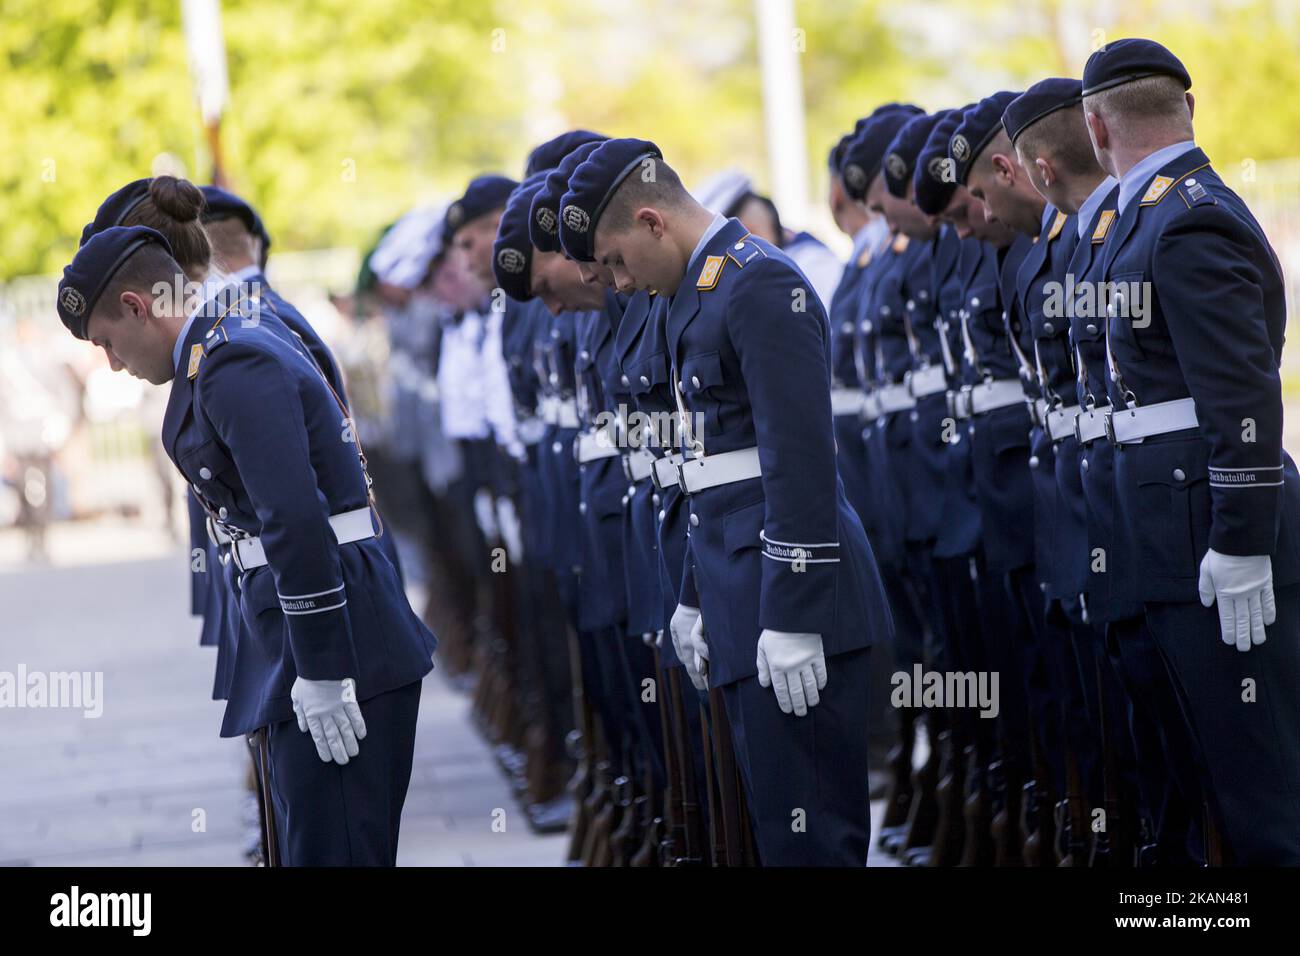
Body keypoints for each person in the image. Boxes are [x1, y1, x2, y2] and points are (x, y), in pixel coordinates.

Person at [559, 137, 893, 865]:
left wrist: (795, 615)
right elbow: (701, 474)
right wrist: (691, 595)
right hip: (740, 594)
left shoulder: (758, 283)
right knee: (773, 832)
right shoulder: (695, 293)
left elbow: (800, 460)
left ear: (652, 221)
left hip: (793, 602)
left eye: (614, 259)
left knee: (811, 841)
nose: (613, 282)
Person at [56, 226, 436, 865]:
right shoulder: (222, 346)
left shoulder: (233, 360)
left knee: (334, 851)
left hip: (338, 639)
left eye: (108, 343)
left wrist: (321, 668)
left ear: (135, 306)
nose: (113, 362)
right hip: (308, 633)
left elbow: (294, 517)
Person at [1081, 38, 1300, 864]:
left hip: (1211, 537)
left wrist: (1242, 540)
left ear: (1096, 127)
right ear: (1190, 107)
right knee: (1204, 775)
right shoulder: (1151, 211)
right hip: (1172, 535)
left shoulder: (1187, 217)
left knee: (1259, 795)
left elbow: (1241, 393)